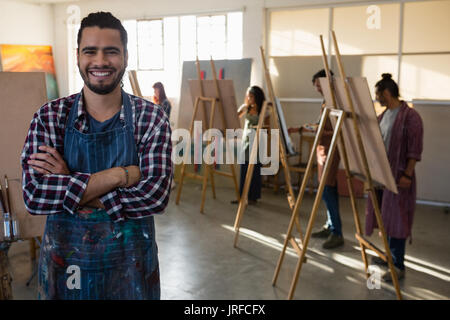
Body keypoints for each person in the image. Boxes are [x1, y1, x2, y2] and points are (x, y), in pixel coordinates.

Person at [21, 12, 172, 300]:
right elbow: (35, 194)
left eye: (111, 52)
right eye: (91, 51)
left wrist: (67, 183)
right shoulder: (50, 117)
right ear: (78, 56)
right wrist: (119, 176)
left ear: (125, 56)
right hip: (65, 270)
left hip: (131, 269)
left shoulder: (151, 119)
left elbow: (155, 196)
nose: (100, 62)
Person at [367, 73, 423, 282]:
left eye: (378, 94)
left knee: (398, 220)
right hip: (383, 177)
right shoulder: (383, 116)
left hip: (400, 178)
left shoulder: (410, 117)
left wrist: (407, 174)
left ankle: (398, 265)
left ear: (387, 93)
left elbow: (415, 150)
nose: (377, 99)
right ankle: (389, 256)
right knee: (386, 219)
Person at [289, 69, 344, 249]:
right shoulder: (325, 101)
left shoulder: (336, 100)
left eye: (319, 85)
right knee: (326, 188)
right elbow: (318, 125)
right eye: (316, 86)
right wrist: (299, 128)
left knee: (327, 189)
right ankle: (330, 225)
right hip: (323, 148)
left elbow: (340, 129)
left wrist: (318, 130)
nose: (317, 89)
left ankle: (337, 232)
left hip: (331, 149)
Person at [231, 86, 265, 205]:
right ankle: (242, 196)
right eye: (248, 96)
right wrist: (243, 107)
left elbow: (267, 126)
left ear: (257, 97)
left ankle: (253, 197)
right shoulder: (246, 107)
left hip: (258, 142)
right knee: (244, 169)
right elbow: (235, 117)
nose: (249, 98)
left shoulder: (263, 109)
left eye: (251, 96)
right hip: (246, 142)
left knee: (255, 170)